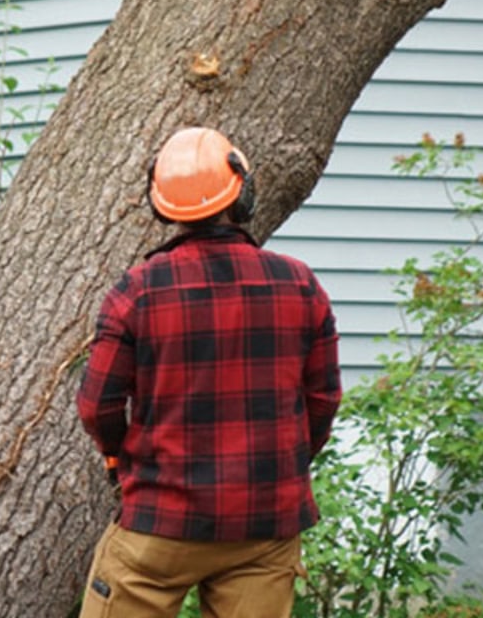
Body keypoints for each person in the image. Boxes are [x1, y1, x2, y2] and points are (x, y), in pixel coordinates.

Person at [75, 126, 342, 618]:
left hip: (160, 522)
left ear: (161, 206)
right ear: (241, 194)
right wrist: (280, 465)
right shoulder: (301, 285)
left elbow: (98, 406)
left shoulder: (136, 291)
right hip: (266, 526)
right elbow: (323, 401)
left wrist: (118, 458)